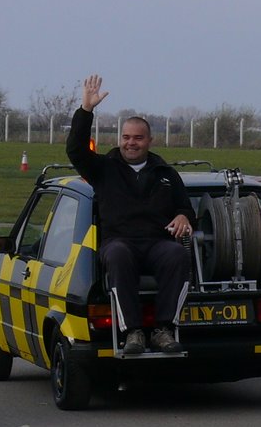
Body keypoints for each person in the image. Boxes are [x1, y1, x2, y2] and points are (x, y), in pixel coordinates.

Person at [66, 74, 196, 354]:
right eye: (126, 137)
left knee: (177, 254)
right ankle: (133, 332)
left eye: (138, 138)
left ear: (150, 140)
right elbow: (75, 150)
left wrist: (184, 217)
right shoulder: (103, 169)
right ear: (119, 139)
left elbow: (185, 208)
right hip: (119, 242)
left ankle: (164, 330)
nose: (131, 143)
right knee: (117, 255)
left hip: (156, 243)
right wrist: (86, 110)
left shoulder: (166, 174)